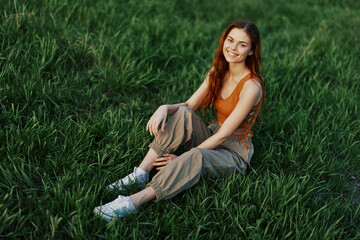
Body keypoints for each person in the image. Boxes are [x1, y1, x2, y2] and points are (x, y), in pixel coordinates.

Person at [94, 19, 265, 221]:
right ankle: (140, 173)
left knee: (197, 157)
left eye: (242, 44)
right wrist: (164, 108)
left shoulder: (252, 87)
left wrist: (185, 157)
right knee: (184, 115)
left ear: (251, 51)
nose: (233, 48)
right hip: (213, 133)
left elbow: (224, 135)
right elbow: (188, 106)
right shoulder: (218, 72)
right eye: (230, 40)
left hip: (234, 153)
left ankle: (131, 202)